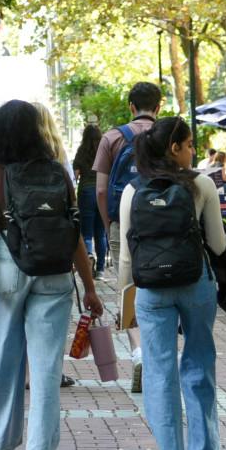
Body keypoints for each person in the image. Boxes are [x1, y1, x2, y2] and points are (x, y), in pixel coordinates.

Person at [0, 100, 104, 450]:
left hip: (9, 269)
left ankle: (3, 448)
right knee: (46, 365)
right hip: (55, 272)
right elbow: (74, 235)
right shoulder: (58, 172)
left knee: (5, 359)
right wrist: (89, 287)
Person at [119, 115, 226, 450]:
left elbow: (125, 255)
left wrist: (126, 304)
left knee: (159, 371)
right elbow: (218, 245)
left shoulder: (133, 189)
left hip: (150, 289)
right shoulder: (201, 185)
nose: (193, 151)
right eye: (190, 144)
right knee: (199, 362)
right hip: (195, 283)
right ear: (174, 148)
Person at [92, 81, 163, 391]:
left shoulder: (112, 137)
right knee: (161, 283)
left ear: (131, 107)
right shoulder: (171, 136)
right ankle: (159, 355)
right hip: (163, 220)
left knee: (128, 287)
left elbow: (101, 189)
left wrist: (109, 223)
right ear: (158, 107)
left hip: (124, 219)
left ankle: (138, 354)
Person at [72, 123, 109, 276]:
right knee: (100, 232)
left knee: (86, 232)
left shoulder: (81, 152)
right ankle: (100, 269)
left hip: (86, 192)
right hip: (102, 191)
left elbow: (75, 175)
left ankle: (88, 256)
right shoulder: (104, 151)